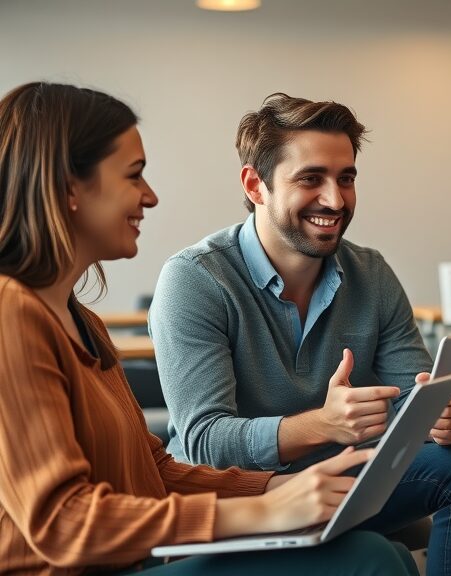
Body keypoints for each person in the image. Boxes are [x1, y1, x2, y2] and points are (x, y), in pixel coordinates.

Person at [0, 82, 417, 575]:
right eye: (134, 176)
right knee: (369, 559)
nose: (150, 196)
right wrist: (261, 510)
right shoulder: (12, 315)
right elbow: (62, 524)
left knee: (385, 554)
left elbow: (152, 471)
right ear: (68, 187)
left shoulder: (77, 317)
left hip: (132, 563)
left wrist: (280, 488)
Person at [148, 93, 451, 575]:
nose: (335, 201)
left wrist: (442, 417)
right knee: (389, 558)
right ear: (255, 185)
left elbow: (409, 396)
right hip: (241, 499)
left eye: (346, 179)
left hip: (342, 482)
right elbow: (205, 442)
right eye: (311, 179)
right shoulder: (195, 279)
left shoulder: (371, 273)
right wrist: (322, 425)